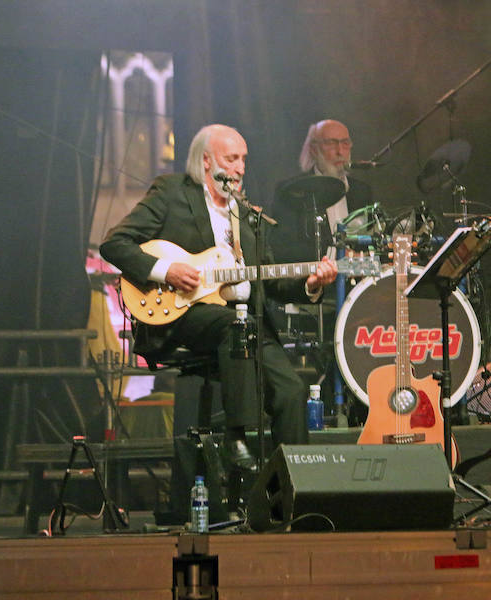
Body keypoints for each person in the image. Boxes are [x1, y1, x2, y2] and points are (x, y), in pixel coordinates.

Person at [100, 124, 338, 472]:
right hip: (182, 314)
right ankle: (236, 435)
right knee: (234, 326)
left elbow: (267, 278)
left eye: (244, 159)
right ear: (207, 161)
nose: (241, 167)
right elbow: (114, 244)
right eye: (232, 158)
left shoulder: (246, 214)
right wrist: (166, 270)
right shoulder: (172, 192)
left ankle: (293, 487)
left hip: (244, 320)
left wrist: (312, 283)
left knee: (290, 390)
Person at [270, 119, 373, 264]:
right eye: (331, 143)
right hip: (315, 281)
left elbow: (371, 241)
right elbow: (285, 249)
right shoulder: (292, 190)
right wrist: (337, 257)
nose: (340, 152)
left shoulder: (362, 191)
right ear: (313, 149)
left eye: (345, 143)